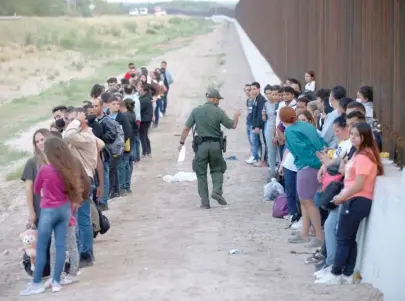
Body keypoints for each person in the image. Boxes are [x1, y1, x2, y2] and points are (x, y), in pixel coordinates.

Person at [315, 122, 383, 284]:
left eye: (356, 135)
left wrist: (341, 197)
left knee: (343, 238)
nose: (352, 137)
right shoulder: (360, 154)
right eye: (351, 134)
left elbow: (358, 184)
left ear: (364, 137)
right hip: (354, 199)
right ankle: (346, 273)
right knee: (348, 238)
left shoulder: (364, 157)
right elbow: (346, 174)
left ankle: (336, 273)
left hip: (356, 200)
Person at [20, 137, 84, 296]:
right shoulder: (68, 169)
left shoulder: (45, 170)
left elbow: (36, 189)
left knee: (41, 247)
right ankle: (57, 281)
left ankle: (37, 283)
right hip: (64, 210)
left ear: (48, 152)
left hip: (49, 210)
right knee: (61, 246)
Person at [178, 88, 241, 209]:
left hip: (201, 146)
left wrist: (181, 142)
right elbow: (232, 125)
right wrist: (236, 116)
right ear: (214, 98)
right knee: (217, 170)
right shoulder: (219, 112)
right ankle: (217, 191)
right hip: (216, 146)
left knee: (201, 174)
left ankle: (205, 202)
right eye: (218, 99)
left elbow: (186, 128)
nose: (219, 101)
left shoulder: (196, 110)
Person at [64, 108, 104, 267]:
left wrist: (77, 121)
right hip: (79, 179)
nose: (70, 123)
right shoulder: (86, 137)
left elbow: (67, 135)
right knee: (79, 218)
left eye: (74, 119)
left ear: (83, 121)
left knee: (82, 219)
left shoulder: (86, 137)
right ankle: (84, 253)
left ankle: (85, 254)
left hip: (82, 179)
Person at [280, 107, 326, 249]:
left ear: (282, 120)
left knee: (307, 202)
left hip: (307, 166)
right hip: (317, 163)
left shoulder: (290, 131)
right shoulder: (305, 125)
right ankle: (304, 233)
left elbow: (301, 150)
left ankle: (319, 236)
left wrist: (312, 163)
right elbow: (319, 141)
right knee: (306, 201)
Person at [246, 82, 266, 165]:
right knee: (257, 142)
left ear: (259, 89)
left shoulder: (261, 99)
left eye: (254, 89)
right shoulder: (256, 98)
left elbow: (260, 114)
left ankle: (261, 161)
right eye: (252, 89)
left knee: (261, 143)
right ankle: (258, 159)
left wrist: (257, 126)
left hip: (259, 126)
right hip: (254, 125)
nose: (253, 91)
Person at [139, 82, 153, 157]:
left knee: (142, 136)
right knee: (145, 135)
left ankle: (144, 151)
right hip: (147, 119)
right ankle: (148, 150)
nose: (139, 91)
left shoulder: (144, 100)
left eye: (140, 90)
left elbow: (139, 109)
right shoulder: (148, 98)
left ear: (144, 91)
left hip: (144, 120)